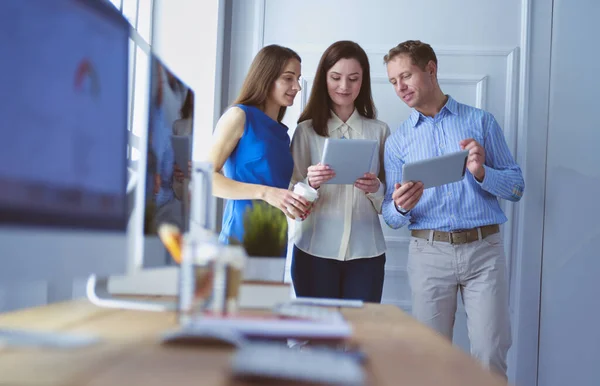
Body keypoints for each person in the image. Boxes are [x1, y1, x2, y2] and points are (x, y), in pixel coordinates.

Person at [381, 40, 524, 378]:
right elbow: (389, 214)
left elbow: (517, 187)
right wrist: (400, 208)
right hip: (428, 253)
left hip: (484, 253)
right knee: (430, 360)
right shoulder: (398, 141)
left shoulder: (481, 122)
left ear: (431, 69)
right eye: (392, 81)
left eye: (406, 76)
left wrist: (481, 172)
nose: (400, 87)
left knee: (491, 353)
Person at [290, 40, 390, 302]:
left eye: (353, 79)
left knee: (359, 338)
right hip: (314, 251)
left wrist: (376, 188)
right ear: (324, 78)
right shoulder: (306, 131)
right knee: (317, 340)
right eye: (336, 77)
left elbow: (390, 202)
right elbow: (290, 194)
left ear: (363, 82)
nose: (344, 86)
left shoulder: (379, 131)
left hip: (366, 254)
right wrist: (309, 184)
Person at [206, 44, 310, 248]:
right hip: (240, 238)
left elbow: (277, 191)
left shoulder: (282, 134)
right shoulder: (239, 116)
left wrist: (292, 203)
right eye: (288, 78)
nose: (297, 87)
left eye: (297, 79)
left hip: (274, 239)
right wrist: (266, 193)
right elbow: (207, 178)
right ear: (266, 77)